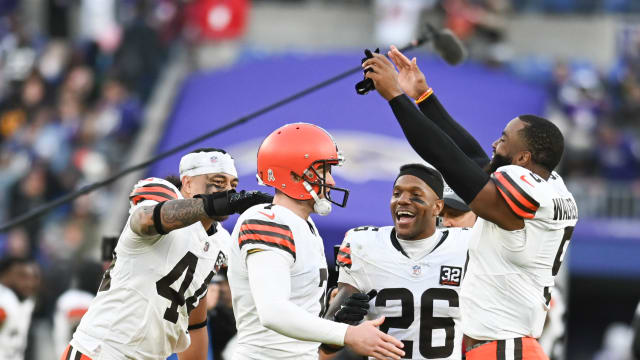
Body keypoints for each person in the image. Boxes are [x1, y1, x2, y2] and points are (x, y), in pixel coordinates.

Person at [362, 47, 578, 359]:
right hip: (505, 346)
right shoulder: (550, 184)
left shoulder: (524, 197)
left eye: (503, 139)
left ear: (523, 158)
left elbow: (447, 158)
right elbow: (473, 157)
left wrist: (395, 97)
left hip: (505, 350)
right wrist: (423, 97)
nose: (494, 144)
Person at [63, 148, 271, 360]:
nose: (228, 191)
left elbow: (195, 323)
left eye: (232, 185)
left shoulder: (219, 243)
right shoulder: (159, 202)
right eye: (218, 182)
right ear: (187, 183)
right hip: (102, 350)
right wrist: (214, 204)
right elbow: (145, 220)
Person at [226, 123, 406, 360]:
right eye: (323, 171)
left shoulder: (303, 225)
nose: (330, 181)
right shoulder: (268, 221)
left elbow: (294, 310)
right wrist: (348, 334)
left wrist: (328, 308)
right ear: (292, 174)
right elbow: (273, 312)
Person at [324, 164, 471, 360]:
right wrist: (342, 322)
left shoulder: (466, 244)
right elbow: (327, 344)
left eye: (415, 195)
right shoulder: (363, 244)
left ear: (437, 207)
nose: (402, 200)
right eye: (397, 193)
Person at [0, 257, 40, 360]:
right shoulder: (4, 302)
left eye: (33, 277)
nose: (29, 283)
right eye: (22, 277)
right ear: (5, 276)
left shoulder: (26, 303)